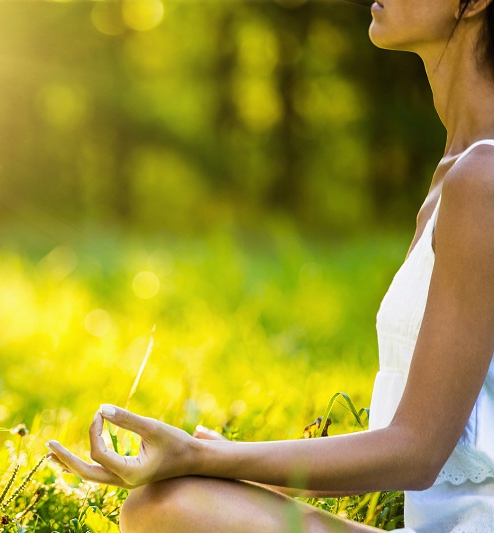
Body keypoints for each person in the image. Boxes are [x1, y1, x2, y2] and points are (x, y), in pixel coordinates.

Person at [45, 0, 494, 530]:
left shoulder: (483, 178)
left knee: (170, 508)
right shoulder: (460, 171)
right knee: (172, 502)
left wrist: (203, 457)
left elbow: (418, 452)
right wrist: (223, 458)